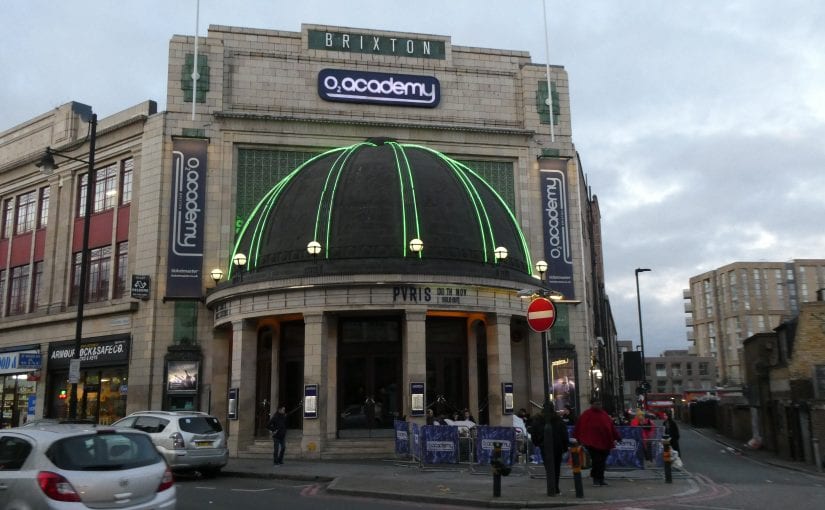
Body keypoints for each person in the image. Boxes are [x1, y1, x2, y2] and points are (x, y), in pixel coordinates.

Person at [573, 397, 620, 487]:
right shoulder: (586, 414)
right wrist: (578, 438)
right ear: (592, 404)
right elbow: (579, 427)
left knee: (602, 461)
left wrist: (617, 437)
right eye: (596, 403)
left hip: (604, 442)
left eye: (599, 403)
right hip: (592, 443)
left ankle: (600, 478)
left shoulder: (604, 414)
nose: (599, 405)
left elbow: (611, 427)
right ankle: (596, 479)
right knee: (596, 461)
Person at [529, 402, 569, 494]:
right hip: (557, 446)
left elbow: (534, 433)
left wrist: (537, 443)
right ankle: (555, 487)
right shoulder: (557, 419)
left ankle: (552, 487)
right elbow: (564, 434)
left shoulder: (538, 419)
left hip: (545, 446)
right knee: (556, 467)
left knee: (549, 467)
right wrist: (565, 446)